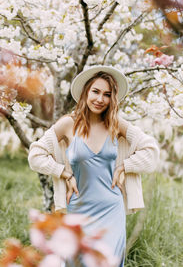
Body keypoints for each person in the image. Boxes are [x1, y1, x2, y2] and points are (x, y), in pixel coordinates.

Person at [28, 66, 159, 267]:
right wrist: (63, 173)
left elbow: (151, 151)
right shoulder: (68, 124)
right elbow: (35, 156)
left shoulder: (116, 124)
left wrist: (125, 166)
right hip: (78, 210)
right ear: (85, 92)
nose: (100, 99)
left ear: (112, 99)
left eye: (107, 95)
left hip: (111, 210)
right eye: (95, 92)